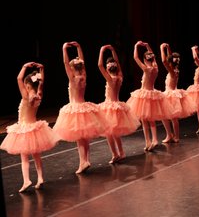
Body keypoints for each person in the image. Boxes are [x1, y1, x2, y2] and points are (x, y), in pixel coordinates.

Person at [0, 62, 58, 193]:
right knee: (36, 155)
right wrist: (42, 69)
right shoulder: (39, 94)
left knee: (24, 157)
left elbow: (18, 78)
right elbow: (41, 83)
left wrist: (25, 66)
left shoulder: (26, 96)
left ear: (26, 85)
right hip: (35, 128)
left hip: (25, 128)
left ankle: (27, 180)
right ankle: (40, 178)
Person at [53, 41, 107, 174]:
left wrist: (64, 47)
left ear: (72, 69)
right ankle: (86, 160)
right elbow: (82, 62)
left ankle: (83, 162)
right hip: (83, 107)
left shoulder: (72, 78)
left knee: (79, 138)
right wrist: (78, 47)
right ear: (81, 67)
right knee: (85, 137)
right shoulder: (83, 76)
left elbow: (65, 63)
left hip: (75, 108)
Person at [127, 41, 173, 151]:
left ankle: (151, 140)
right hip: (152, 94)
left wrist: (136, 46)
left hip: (144, 94)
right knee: (150, 119)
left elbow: (135, 57)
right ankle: (151, 141)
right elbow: (152, 56)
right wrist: (147, 46)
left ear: (144, 60)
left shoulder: (146, 69)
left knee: (145, 120)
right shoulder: (155, 67)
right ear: (152, 59)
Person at [97, 44, 140, 164]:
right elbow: (119, 64)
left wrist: (102, 51)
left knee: (109, 133)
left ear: (108, 67)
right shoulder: (120, 77)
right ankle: (121, 153)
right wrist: (113, 50)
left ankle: (115, 154)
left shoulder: (110, 79)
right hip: (117, 106)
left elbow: (99, 65)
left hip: (110, 107)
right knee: (114, 133)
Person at [160, 43, 196, 143]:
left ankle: (176, 136)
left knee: (173, 117)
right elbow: (170, 59)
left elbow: (164, 61)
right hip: (170, 93)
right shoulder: (175, 69)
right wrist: (168, 48)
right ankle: (170, 135)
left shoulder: (172, 71)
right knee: (164, 116)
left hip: (170, 94)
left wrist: (161, 48)